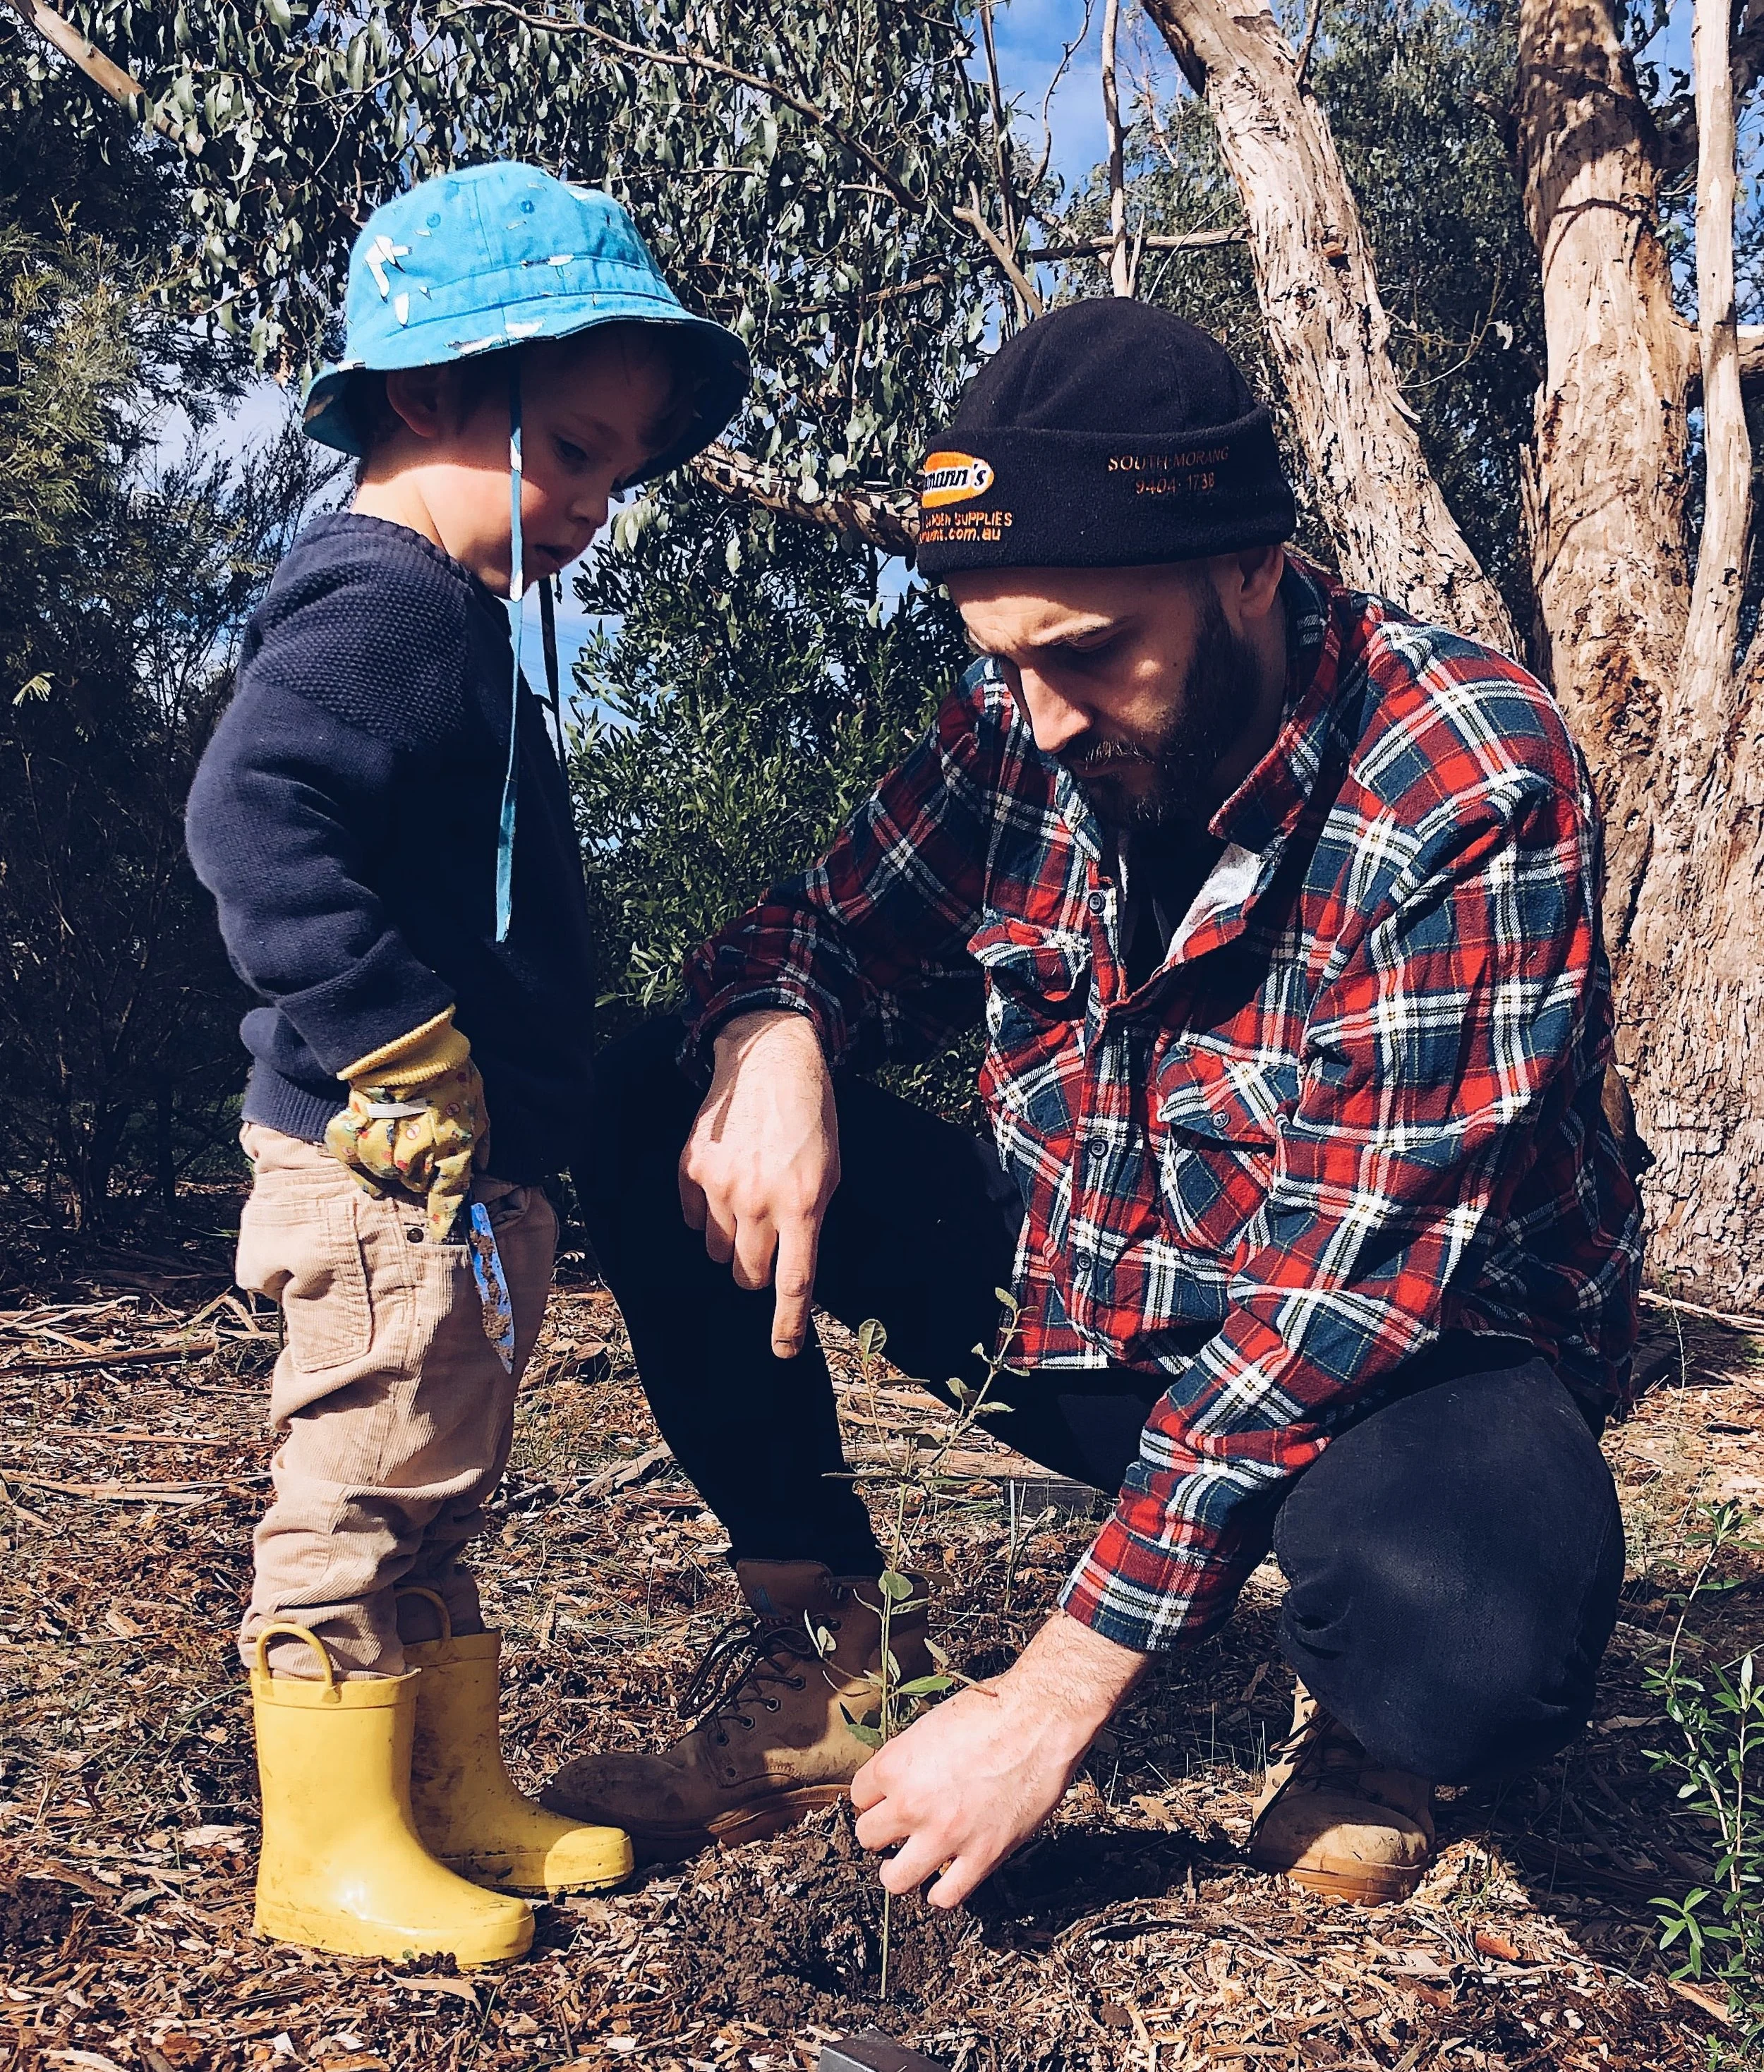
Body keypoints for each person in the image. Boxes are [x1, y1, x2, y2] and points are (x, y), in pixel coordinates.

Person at [543, 299, 1642, 1910]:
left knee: (1474, 1628)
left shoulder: (1464, 780)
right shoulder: (1025, 722)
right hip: (1101, 1301)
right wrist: (774, 1035)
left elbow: (1342, 1293)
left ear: (1250, 569)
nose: (1043, 713)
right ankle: (827, 1646)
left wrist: (1054, 1692)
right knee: (658, 1088)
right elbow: (809, 927)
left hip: (1398, 1356)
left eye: (1086, 652)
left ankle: (1372, 1729)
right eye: (1002, 656)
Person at [185, 162, 747, 1965]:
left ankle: (443, 1795)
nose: (593, 503)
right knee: (359, 1481)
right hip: (378, 1162)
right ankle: (326, 1851)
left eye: (611, 468)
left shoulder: (447, 617)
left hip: (454, 1165)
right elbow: (250, 816)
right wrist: (397, 1043)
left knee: (434, 1471)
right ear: (436, 395)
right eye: (572, 450)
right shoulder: (390, 609)